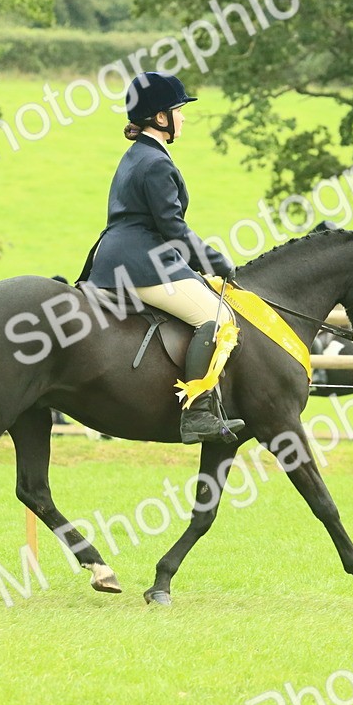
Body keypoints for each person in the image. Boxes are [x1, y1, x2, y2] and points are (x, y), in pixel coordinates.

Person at [80, 71, 244, 444]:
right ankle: (197, 413)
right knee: (218, 319)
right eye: (178, 110)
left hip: (115, 257)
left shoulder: (138, 155)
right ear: (160, 118)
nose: (183, 117)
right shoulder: (156, 163)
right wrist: (217, 263)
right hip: (143, 263)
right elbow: (173, 228)